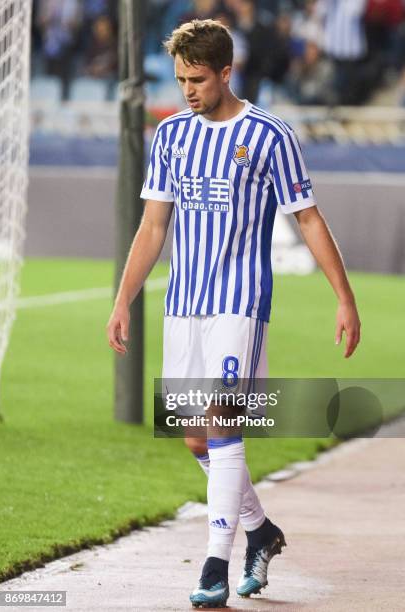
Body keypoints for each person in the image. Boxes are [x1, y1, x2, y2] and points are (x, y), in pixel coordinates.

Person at [107, 19, 361, 608]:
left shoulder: (270, 135)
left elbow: (308, 218)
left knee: (223, 423)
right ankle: (260, 531)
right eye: (179, 79)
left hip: (240, 303)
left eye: (197, 79)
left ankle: (214, 567)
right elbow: (153, 225)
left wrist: (344, 298)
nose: (188, 90)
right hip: (183, 303)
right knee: (196, 439)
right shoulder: (171, 135)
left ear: (226, 72)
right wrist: (123, 298)